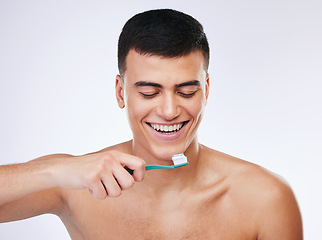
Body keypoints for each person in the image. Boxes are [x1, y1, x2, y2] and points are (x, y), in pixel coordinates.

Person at [0, 9, 302, 239]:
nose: (169, 111)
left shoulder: (266, 199)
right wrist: (56, 169)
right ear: (121, 92)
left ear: (206, 90)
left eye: (186, 91)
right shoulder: (74, 186)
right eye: (149, 92)